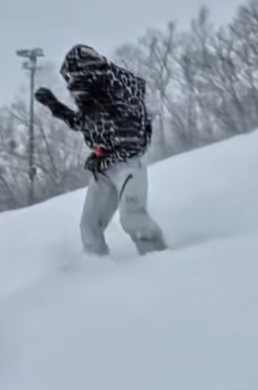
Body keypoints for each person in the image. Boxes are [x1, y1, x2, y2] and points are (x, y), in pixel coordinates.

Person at [35, 44, 167, 256]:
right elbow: (83, 123)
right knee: (89, 226)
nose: (70, 86)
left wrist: (106, 156)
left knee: (132, 217)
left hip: (128, 165)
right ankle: (98, 273)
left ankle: (160, 261)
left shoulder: (117, 88)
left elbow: (131, 135)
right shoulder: (94, 97)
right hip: (104, 168)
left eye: (72, 77)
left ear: (86, 70)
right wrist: (54, 105)